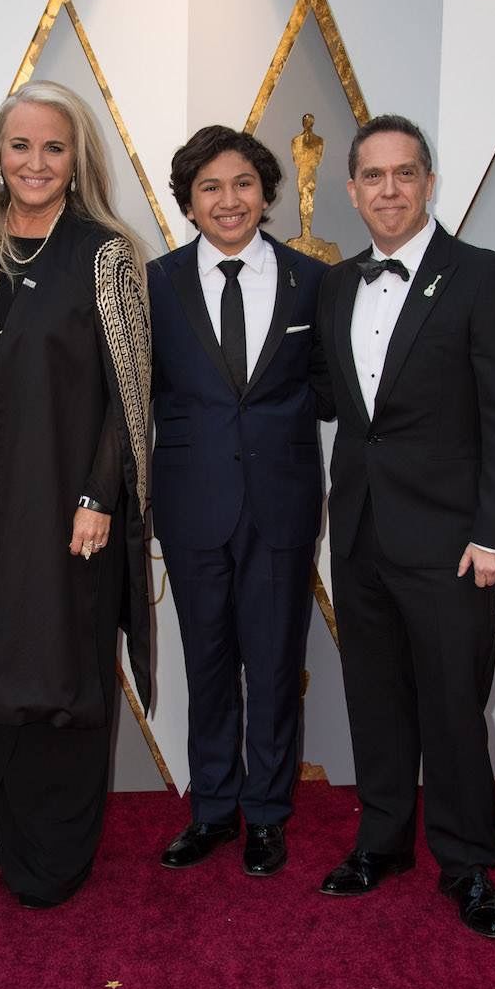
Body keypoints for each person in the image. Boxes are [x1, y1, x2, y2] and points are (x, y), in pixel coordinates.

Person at [313, 115, 495, 940]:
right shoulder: (337, 286)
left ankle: (467, 862)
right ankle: (383, 843)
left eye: (405, 174)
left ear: (430, 183)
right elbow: (337, 407)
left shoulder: (486, 279)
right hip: (362, 535)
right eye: (372, 176)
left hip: (452, 544)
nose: (388, 190)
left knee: (451, 707)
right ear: (350, 190)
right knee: (374, 701)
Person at [0, 80, 152, 909]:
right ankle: (7, 816)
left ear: (77, 161)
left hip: (68, 507)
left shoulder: (105, 252)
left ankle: (57, 848)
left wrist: (100, 495)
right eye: (20, 145)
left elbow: (131, 393)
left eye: (53, 147)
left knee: (63, 671)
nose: (35, 162)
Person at [145, 126, 329, 876]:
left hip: (281, 503)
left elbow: (326, 385)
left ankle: (268, 814)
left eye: (243, 184)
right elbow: (141, 394)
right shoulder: (153, 283)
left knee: (277, 662)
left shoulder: (311, 281)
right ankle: (214, 809)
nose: (229, 201)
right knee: (208, 661)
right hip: (192, 502)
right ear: (188, 202)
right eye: (210, 188)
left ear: (267, 193)